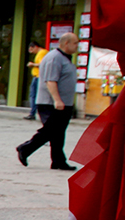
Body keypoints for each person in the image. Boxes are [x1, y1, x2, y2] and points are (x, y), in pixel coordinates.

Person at [17, 33, 80, 171]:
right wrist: (57, 100)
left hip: (64, 103)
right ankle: (25, 149)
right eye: (75, 43)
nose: (77, 45)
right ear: (66, 44)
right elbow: (50, 81)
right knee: (50, 131)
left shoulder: (65, 59)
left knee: (58, 133)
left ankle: (58, 161)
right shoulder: (54, 58)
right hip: (51, 103)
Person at [25, 40, 47, 119]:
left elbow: (42, 64)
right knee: (34, 95)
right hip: (37, 76)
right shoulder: (42, 53)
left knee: (33, 95)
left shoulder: (42, 53)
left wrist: (32, 64)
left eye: (32, 49)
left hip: (38, 76)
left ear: (36, 47)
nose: (31, 52)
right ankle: (33, 112)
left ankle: (32, 113)